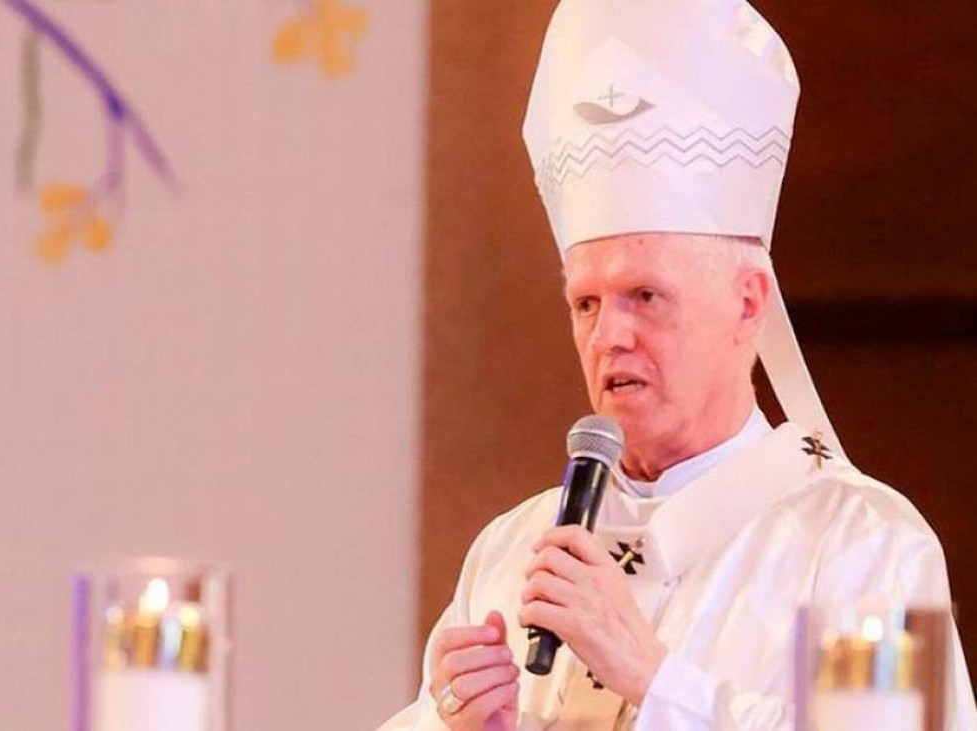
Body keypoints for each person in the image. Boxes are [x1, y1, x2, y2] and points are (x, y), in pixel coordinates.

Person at [378, 1, 977, 729]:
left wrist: (655, 680)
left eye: (645, 296)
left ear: (747, 303)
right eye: (586, 303)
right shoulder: (511, 551)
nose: (609, 336)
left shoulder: (862, 545)